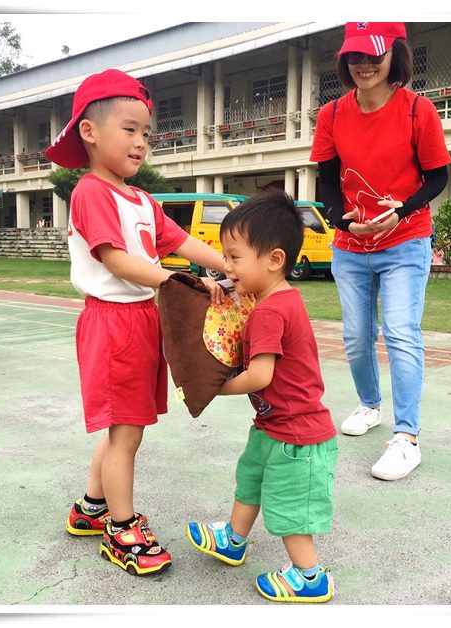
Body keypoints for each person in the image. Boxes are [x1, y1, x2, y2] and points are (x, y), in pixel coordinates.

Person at [44, 68, 227, 576]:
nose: (141, 141)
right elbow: (115, 259)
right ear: (89, 131)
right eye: (129, 129)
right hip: (113, 322)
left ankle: (91, 508)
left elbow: (178, 240)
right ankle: (121, 529)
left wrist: (225, 264)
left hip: (143, 320)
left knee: (125, 425)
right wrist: (170, 280)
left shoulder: (142, 199)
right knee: (126, 433)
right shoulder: (91, 192)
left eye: (146, 132)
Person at [310, 22, 451, 481]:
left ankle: (406, 438)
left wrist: (402, 210)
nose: (363, 65)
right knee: (355, 336)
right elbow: (327, 181)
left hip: (405, 239)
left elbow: (437, 177)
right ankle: (370, 405)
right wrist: (341, 219)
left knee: (401, 332)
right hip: (351, 244)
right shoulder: (332, 114)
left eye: (373, 55)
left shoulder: (417, 111)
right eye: (354, 56)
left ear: (395, 55)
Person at [185, 189, 338, 603]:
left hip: (297, 437)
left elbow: (258, 375)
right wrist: (225, 287)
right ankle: (233, 539)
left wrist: (214, 387)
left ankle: (310, 577)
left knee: (289, 510)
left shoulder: (271, 311)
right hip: (274, 425)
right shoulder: (272, 296)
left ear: (273, 260)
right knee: (250, 479)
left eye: (234, 257)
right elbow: (238, 298)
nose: (226, 266)